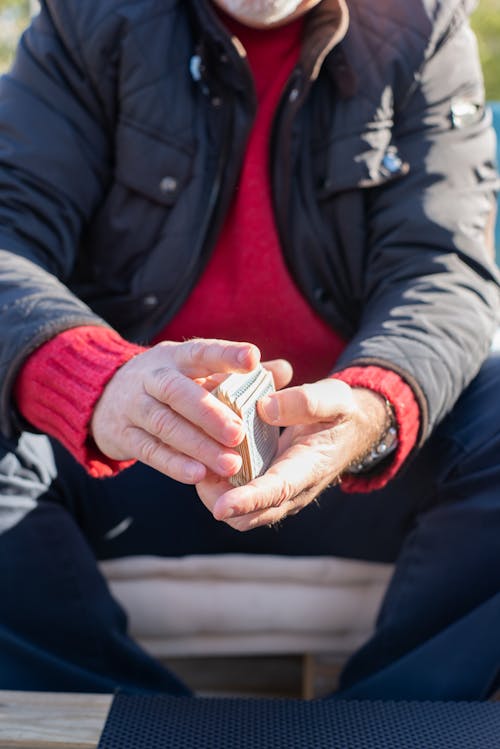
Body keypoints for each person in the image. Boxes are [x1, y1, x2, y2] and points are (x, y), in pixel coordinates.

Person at [0, 0, 499, 700]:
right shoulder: (88, 17)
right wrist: (96, 380)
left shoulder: (424, 25)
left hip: (354, 464)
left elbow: (442, 271)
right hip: (126, 461)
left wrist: (373, 402)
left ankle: (387, 725)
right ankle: (139, 727)